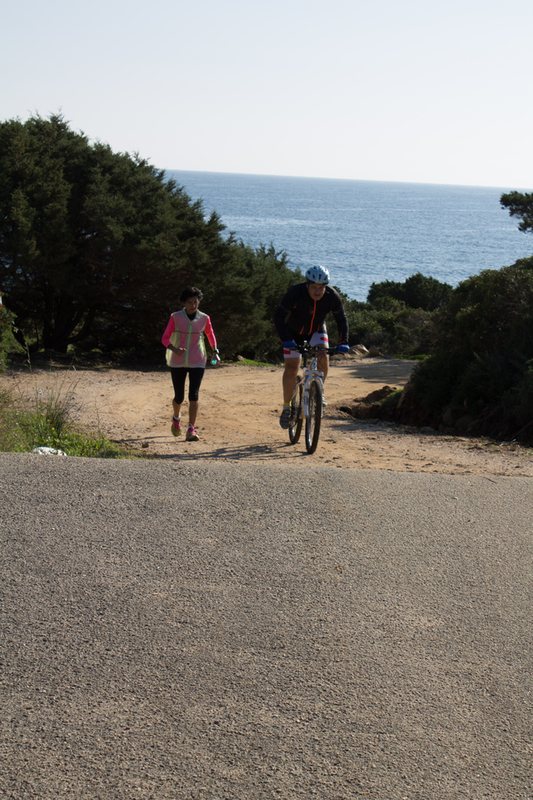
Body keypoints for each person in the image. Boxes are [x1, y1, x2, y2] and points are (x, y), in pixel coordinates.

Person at [274, 265, 350, 429]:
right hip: (292, 333)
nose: (318, 291)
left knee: (323, 355)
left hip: (316, 330)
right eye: (314, 287)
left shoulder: (331, 295)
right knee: (291, 368)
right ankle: (287, 407)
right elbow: (279, 317)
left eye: (321, 287)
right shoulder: (295, 293)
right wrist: (285, 339)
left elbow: (341, 319)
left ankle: (318, 393)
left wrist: (344, 342)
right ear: (307, 285)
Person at [161, 286, 219, 442]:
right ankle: (176, 417)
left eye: (196, 302)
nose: (193, 305)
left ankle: (191, 429)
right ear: (183, 303)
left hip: (198, 360)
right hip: (177, 361)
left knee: (194, 395)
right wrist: (174, 349)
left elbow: (210, 334)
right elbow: (165, 338)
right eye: (190, 302)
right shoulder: (176, 317)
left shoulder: (204, 318)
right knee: (179, 397)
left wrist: (215, 351)